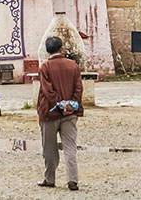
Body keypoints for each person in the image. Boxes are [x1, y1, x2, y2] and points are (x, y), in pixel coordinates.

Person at [37, 36, 83, 190]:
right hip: (70, 114)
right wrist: (71, 105)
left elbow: (48, 91)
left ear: (47, 50)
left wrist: (60, 105)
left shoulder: (45, 67)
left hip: (49, 113)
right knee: (70, 147)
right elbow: (78, 88)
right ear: (61, 48)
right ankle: (73, 180)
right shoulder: (73, 65)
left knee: (49, 147)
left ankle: (49, 179)